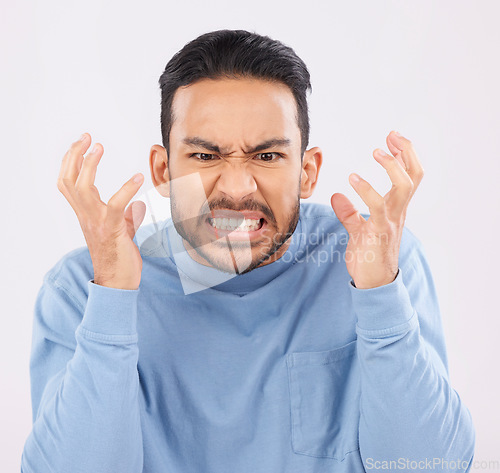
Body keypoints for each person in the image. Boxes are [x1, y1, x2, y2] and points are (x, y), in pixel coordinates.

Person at [21, 29, 475, 473]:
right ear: (162, 169)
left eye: (267, 156)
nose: (237, 189)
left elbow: (433, 465)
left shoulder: (380, 259)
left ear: (307, 171)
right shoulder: (84, 287)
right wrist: (113, 299)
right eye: (205, 156)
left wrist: (379, 298)